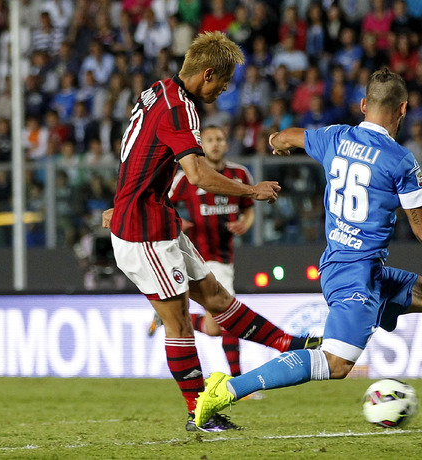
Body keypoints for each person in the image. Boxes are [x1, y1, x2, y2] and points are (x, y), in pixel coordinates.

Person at [193, 69, 422, 427]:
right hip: (354, 275)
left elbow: (287, 137)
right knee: (335, 364)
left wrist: (275, 142)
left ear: (364, 104)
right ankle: (227, 390)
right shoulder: (400, 161)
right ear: (403, 109)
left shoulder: (334, 137)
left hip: (359, 268)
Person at [101, 32, 320, 433]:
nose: (225, 89)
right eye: (224, 81)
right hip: (143, 230)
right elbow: (198, 175)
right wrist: (251, 190)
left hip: (155, 217)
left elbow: (135, 147)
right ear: (207, 74)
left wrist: (125, 195)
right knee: (181, 323)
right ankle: (198, 412)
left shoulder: (158, 91)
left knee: (218, 297)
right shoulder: (180, 110)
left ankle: (288, 345)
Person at [147, 124, 255, 382]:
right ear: (201, 146)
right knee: (230, 317)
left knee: (214, 327)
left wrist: (245, 223)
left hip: (225, 257)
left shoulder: (239, 174)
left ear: (226, 144)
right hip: (198, 257)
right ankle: (240, 382)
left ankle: (165, 320)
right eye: (210, 140)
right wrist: (177, 221)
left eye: (219, 139)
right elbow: (160, 202)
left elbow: (248, 207)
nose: (215, 144)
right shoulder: (187, 177)